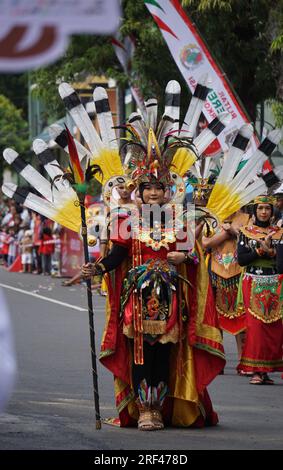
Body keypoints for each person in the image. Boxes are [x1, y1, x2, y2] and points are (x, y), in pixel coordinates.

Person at [82, 173, 225, 430]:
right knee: (140, 353)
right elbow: (116, 256)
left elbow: (193, 256)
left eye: (158, 188)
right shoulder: (126, 223)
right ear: (139, 193)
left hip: (169, 301)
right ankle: (144, 410)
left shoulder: (178, 223)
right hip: (136, 302)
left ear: (167, 192)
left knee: (162, 354)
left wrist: (183, 259)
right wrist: (97, 268)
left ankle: (158, 408)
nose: (153, 193)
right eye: (147, 189)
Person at [237, 196, 283, 384]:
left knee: (273, 328)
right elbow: (242, 259)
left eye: (267, 208)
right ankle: (255, 370)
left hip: (275, 282)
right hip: (253, 281)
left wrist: (273, 252)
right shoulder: (246, 232)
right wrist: (259, 251)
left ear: (272, 211)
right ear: (254, 211)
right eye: (260, 208)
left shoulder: (279, 233)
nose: (263, 212)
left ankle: (266, 371)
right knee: (255, 327)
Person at [202, 210, 249, 367]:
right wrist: (227, 233)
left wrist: (232, 230)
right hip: (215, 269)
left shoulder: (247, 218)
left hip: (239, 270)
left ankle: (244, 359)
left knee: (241, 314)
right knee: (215, 315)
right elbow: (205, 243)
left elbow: (250, 240)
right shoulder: (211, 217)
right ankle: (218, 359)